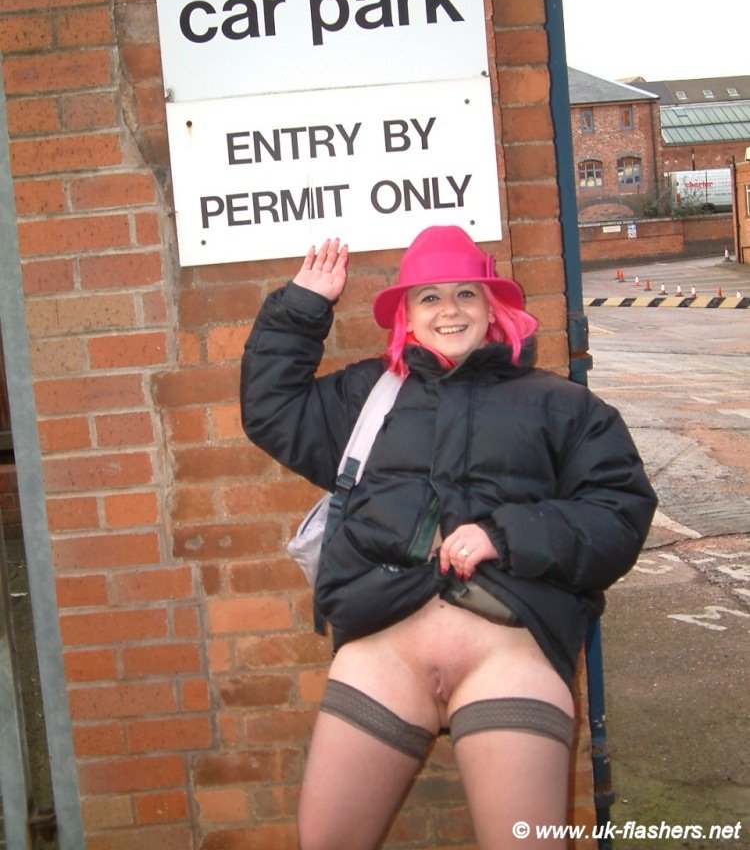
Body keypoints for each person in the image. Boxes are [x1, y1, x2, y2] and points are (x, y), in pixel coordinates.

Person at [240, 226, 657, 850]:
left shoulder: (562, 405)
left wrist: (504, 535)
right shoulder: (368, 396)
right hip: (382, 657)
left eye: (466, 293)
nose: (449, 310)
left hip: (508, 659)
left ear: (493, 307)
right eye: (429, 297)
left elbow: (619, 512)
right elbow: (271, 410)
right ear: (407, 316)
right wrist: (303, 305)